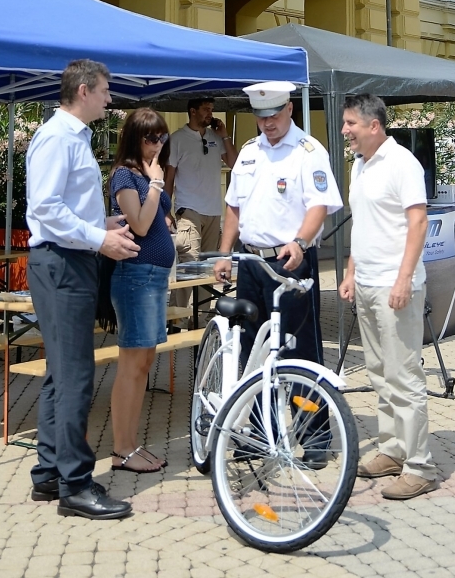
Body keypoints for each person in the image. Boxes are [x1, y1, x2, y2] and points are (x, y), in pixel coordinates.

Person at [26, 59, 138, 520]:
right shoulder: (58, 137)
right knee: (74, 375)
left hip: (65, 260)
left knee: (61, 374)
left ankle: (51, 473)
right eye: (107, 90)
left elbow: (62, 207)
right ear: (86, 90)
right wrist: (100, 238)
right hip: (63, 264)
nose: (111, 99)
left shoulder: (71, 136)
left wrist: (99, 224)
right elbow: (46, 207)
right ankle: (76, 485)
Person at [213, 81, 342, 467]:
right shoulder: (249, 152)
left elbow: (320, 205)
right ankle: (257, 432)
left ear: (289, 110)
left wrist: (301, 242)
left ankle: (314, 435)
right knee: (253, 351)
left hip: (291, 260)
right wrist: (224, 254)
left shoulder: (307, 151)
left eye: (273, 116)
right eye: (261, 117)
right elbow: (233, 207)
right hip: (253, 262)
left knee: (301, 349)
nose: (267, 124)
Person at [339, 94, 438, 500]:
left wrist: (403, 279)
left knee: (404, 374)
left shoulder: (402, 164)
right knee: (379, 371)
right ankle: (393, 450)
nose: (345, 131)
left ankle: (420, 466)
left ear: (374, 126)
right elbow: (361, 224)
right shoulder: (359, 165)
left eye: (350, 124)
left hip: (396, 286)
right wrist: (349, 271)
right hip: (366, 282)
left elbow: (418, 222)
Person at [108, 107, 176, 474]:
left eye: (161, 137)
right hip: (135, 276)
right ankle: (122, 449)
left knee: (145, 362)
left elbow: (158, 219)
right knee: (132, 365)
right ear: (135, 138)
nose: (157, 144)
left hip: (153, 278)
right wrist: (155, 186)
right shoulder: (125, 175)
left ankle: (131, 445)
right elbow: (141, 224)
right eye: (151, 138)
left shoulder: (148, 174)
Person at [165, 98, 238, 321]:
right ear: (192, 111)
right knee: (190, 263)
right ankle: (179, 318)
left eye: (212, 110)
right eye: (206, 110)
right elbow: (168, 177)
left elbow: (235, 164)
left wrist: (225, 135)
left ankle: (201, 316)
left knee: (207, 268)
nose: (210, 113)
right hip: (188, 210)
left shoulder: (216, 138)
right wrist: (165, 210)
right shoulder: (177, 139)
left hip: (214, 210)